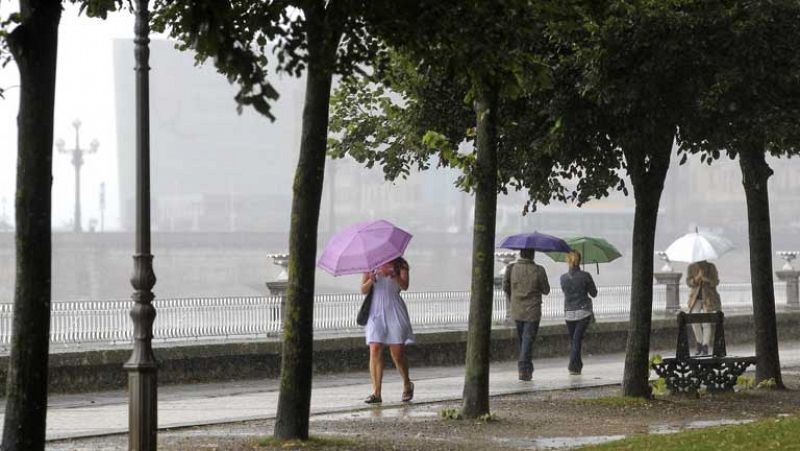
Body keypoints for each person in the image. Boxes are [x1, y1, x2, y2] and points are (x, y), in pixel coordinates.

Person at [361, 257, 415, 404]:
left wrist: (394, 275)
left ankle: (407, 383)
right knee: (375, 348)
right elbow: (363, 290)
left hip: (394, 310)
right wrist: (371, 279)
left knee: (397, 353)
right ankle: (376, 392)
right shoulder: (370, 264)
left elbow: (405, 286)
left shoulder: (401, 264)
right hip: (376, 311)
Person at [503, 248, 550, 381]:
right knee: (528, 340)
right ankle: (524, 369)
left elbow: (505, 287)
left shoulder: (511, 268)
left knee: (523, 340)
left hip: (516, 310)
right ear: (533, 255)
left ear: (521, 254)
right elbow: (546, 290)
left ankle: (527, 368)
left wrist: (515, 298)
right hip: (532, 311)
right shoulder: (539, 270)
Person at [560, 251, 598, 375]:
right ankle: (573, 366)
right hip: (583, 312)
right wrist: (586, 282)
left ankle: (577, 365)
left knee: (574, 340)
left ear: (568, 261)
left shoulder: (563, 278)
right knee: (577, 340)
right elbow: (594, 293)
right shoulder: (585, 275)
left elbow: (567, 292)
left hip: (569, 313)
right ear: (579, 261)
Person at [686, 259, 721, 355]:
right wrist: (697, 278)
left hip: (708, 298)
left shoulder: (711, 267)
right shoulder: (691, 267)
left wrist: (706, 279)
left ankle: (705, 345)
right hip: (695, 298)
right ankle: (699, 342)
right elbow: (689, 282)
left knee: (706, 321)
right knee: (694, 319)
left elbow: (716, 282)